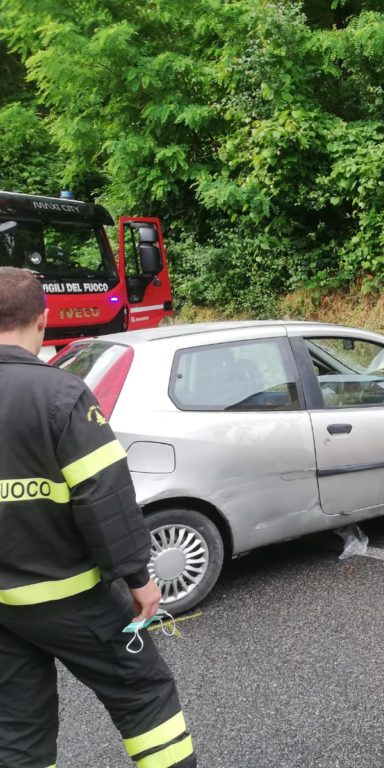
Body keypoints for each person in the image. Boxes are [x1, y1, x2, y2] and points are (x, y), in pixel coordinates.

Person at [0, 267, 196, 768]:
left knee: (17, 726)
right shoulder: (60, 396)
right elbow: (104, 497)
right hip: (72, 597)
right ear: (42, 320)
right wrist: (138, 578)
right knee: (144, 693)